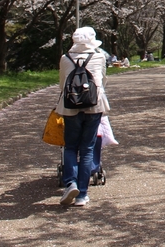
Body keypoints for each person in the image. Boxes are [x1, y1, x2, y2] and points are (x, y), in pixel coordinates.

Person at [58, 27, 109, 208]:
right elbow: (102, 81)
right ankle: (82, 194)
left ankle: (70, 182)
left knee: (70, 146)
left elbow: (61, 84)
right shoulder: (99, 57)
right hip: (93, 106)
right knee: (87, 148)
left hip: (71, 108)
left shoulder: (65, 59)